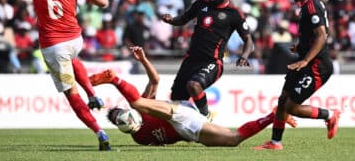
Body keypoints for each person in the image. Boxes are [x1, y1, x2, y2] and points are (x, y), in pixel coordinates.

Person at [0, 0, 111, 151]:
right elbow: (103, 2)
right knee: (72, 59)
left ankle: (100, 133)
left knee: (71, 93)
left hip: (54, 46)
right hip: (75, 41)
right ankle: (93, 95)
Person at [89, 46, 297, 146]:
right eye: (118, 121)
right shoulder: (139, 138)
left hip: (179, 114)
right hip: (189, 130)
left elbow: (154, 81)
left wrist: (143, 59)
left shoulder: (139, 109)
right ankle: (275, 116)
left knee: (139, 102)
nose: (121, 120)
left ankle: (114, 79)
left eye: (120, 115)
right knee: (234, 139)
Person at [255, 0, 340, 150]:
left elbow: (322, 36)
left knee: (291, 107)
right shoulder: (307, 7)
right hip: (305, 60)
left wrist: (306, 59)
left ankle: (330, 114)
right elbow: (319, 34)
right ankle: (275, 142)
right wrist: (301, 48)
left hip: (317, 66)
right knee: (282, 100)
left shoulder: (312, 6)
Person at [160, 0, 254, 119]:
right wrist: (171, 20)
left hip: (212, 62)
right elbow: (183, 19)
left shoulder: (234, 14)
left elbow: (248, 39)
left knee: (194, 85)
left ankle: (205, 116)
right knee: (176, 100)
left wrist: (244, 56)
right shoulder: (200, 4)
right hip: (190, 60)